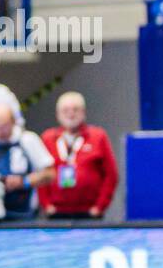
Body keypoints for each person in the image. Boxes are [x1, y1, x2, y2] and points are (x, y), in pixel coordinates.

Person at [38, 91, 119, 219]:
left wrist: (100, 206)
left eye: (75, 109)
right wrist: (46, 205)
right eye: (65, 110)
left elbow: (111, 175)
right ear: (58, 114)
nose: (71, 114)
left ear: (83, 112)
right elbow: (40, 174)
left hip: (89, 212)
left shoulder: (98, 136)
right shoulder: (48, 138)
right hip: (56, 212)